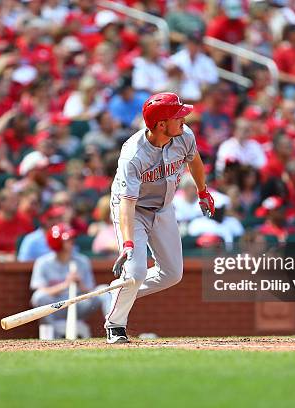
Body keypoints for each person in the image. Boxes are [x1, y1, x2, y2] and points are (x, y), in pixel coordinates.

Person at [106, 92, 213, 344]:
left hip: (163, 208)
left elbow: (195, 162)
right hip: (134, 210)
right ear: (161, 124)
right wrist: (129, 243)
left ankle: (122, 290)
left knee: (172, 274)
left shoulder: (184, 136)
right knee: (135, 269)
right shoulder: (133, 155)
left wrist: (203, 191)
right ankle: (115, 325)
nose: (184, 119)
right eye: (177, 117)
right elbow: (127, 203)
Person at [30, 223, 105, 339]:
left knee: (103, 291)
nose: (72, 242)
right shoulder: (43, 263)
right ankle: (52, 334)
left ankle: (113, 328)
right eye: (68, 239)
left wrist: (80, 284)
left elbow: (90, 290)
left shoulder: (82, 261)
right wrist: (65, 284)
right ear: (56, 242)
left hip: (78, 304)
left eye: (72, 239)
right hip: (55, 306)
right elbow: (40, 290)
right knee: (38, 296)